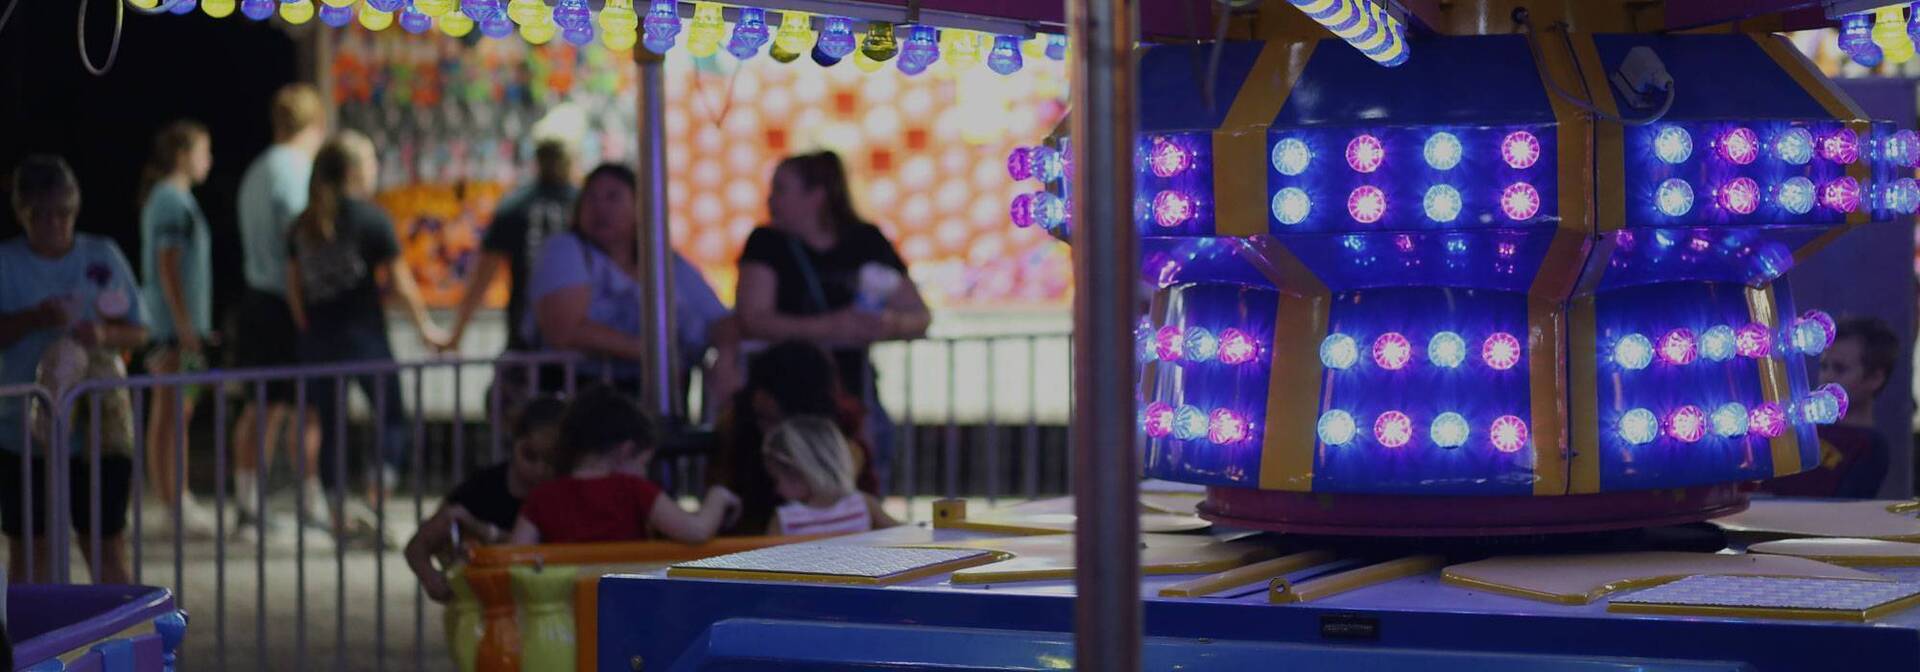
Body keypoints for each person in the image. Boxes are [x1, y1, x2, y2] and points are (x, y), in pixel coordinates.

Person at [735, 151, 931, 491]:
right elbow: (752, 319)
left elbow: (919, 315)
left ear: (817, 195)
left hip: (852, 390)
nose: (771, 199)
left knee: (862, 479)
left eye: (781, 189)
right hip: (783, 392)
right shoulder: (766, 243)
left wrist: (888, 324)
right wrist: (832, 327)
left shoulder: (866, 240)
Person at [285, 130, 446, 534]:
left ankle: (339, 513)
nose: (375, 169)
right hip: (364, 337)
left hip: (319, 339)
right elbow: (401, 281)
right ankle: (376, 499)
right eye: (371, 161)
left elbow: (294, 287)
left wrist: (307, 324)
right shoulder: (371, 219)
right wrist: (425, 326)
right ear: (355, 170)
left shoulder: (301, 223)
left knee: (330, 425)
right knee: (391, 417)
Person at [0, 155, 147, 584]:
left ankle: (122, 643)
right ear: (21, 214)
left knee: (106, 547)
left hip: (99, 434)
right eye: (39, 216)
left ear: (76, 208)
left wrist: (103, 336)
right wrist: (34, 319)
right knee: (32, 551)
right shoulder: (7, 263)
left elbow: (139, 330)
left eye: (62, 213)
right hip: (21, 434)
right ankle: (30, 650)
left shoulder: (102, 253)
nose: (53, 225)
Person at [525, 163, 732, 395]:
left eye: (613, 197)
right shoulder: (565, 250)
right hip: (583, 394)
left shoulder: (666, 261)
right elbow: (564, 330)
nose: (600, 207)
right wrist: (652, 353)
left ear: (639, 207)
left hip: (660, 395)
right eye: (591, 197)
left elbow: (719, 318)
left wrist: (725, 355)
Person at [232, 83, 328, 533]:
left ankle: (251, 497)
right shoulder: (295, 170)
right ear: (316, 123)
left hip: (255, 296)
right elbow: (300, 240)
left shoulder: (257, 169)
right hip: (283, 302)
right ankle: (271, 504)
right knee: (286, 408)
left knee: (261, 406)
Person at [509, 386, 739, 544]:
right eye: (643, 464)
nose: (644, 472)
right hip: (621, 605)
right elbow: (696, 531)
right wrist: (719, 496)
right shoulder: (633, 490)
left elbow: (517, 554)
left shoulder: (542, 497)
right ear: (626, 450)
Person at [137, 120, 218, 539]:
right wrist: (186, 326)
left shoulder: (169, 199)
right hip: (172, 330)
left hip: (174, 326)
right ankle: (175, 500)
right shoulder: (171, 201)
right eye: (204, 151)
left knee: (170, 412)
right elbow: (168, 267)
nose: (210, 160)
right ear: (184, 154)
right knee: (174, 414)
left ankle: (172, 499)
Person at [406, 396, 565, 602]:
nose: (540, 469)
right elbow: (419, 545)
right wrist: (433, 580)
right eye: (530, 455)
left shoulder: (563, 493)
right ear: (514, 442)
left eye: (552, 460)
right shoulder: (481, 487)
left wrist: (481, 530)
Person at [711, 340, 878, 535]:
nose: (768, 433)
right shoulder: (739, 433)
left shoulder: (846, 451)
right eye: (760, 418)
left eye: (775, 420)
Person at [439, 137, 577, 355]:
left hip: (526, 333)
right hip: (578, 337)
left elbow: (481, 276)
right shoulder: (583, 205)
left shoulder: (516, 205)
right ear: (571, 161)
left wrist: (456, 333)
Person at [1762, 316, 1898, 498]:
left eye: (1840, 368)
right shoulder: (1798, 425)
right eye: (1824, 366)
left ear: (1874, 378)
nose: (1826, 376)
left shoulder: (1871, 447)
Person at [762, 416, 897, 536]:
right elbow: (904, 534)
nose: (776, 489)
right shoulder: (863, 505)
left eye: (777, 480)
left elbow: (902, 536)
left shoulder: (784, 520)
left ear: (799, 472)